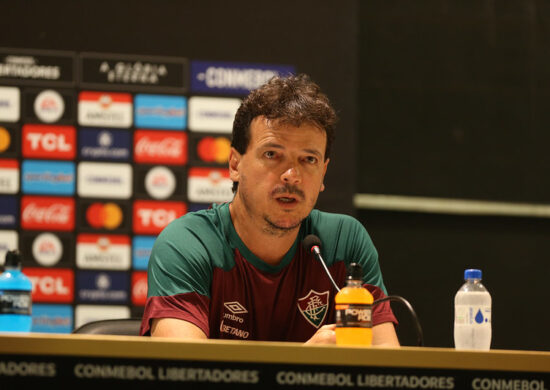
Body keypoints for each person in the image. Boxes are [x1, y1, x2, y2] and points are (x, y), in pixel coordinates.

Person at [140, 74, 400, 346]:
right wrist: (302, 366)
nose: (291, 175)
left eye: (308, 159)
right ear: (235, 164)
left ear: (323, 172)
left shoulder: (345, 243)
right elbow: (183, 373)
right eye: (272, 154)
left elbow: (386, 364)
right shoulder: (188, 243)